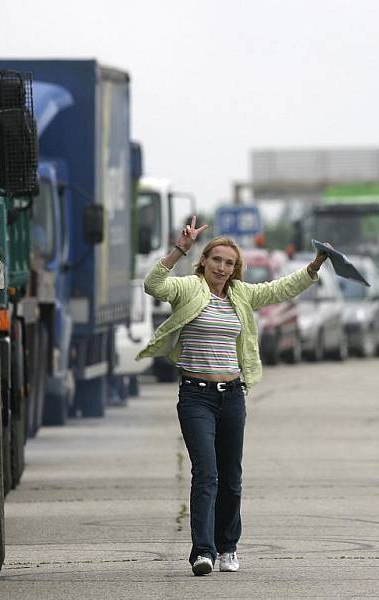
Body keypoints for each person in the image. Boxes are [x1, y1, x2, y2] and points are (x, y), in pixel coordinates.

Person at [137, 217, 327, 576]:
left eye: (229, 263)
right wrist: (180, 247)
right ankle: (202, 552)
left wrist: (315, 265)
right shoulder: (188, 288)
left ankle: (228, 547)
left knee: (231, 476)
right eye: (216, 260)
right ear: (204, 261)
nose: (222, 268)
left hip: (232, 396)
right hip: (196, 397)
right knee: (206, 473)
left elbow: (281, 289)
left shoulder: (241, 294)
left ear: (235, 269)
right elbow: (152, 284)